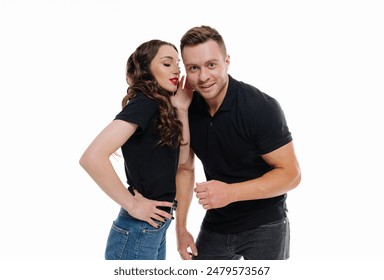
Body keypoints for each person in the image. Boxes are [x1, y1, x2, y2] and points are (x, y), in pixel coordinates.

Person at [175, 26, 301, 260]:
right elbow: (184, 168)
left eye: (211, 65)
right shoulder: (186, 107)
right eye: (194, 68)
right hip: (217, 224)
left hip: (266, 225)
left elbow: (291, 175)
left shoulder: (260, 107)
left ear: (227, 62)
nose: (203, 77)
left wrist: (231, 192)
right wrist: (180, 229)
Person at [79, 39, 192, 260]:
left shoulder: (161, 108)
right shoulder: (144, 104)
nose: (177, 69)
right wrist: (132, 205)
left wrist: (182, 110)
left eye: (178, 63)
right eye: (167, 63)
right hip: (138, 228)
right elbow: (92, 158)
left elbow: (182, 160)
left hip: (154, 227)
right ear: (147, 69)